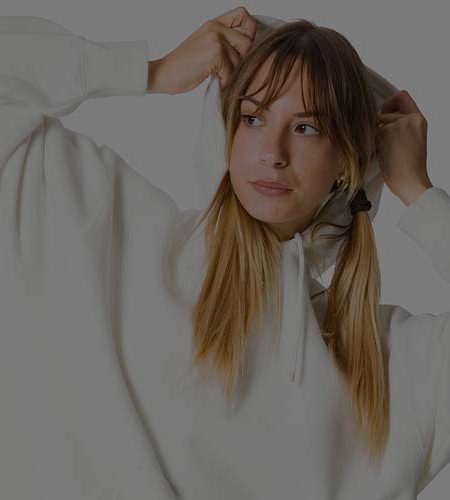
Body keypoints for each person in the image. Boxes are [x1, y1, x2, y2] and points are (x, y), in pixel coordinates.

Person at [0, 7, 448, 500]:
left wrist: (419, 192)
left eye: (306, 128)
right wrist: (151, 72)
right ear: (228, 130)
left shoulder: (388, 362)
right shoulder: (118, 234)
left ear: (346, 162)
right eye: (253, 117)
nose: (272, 152)